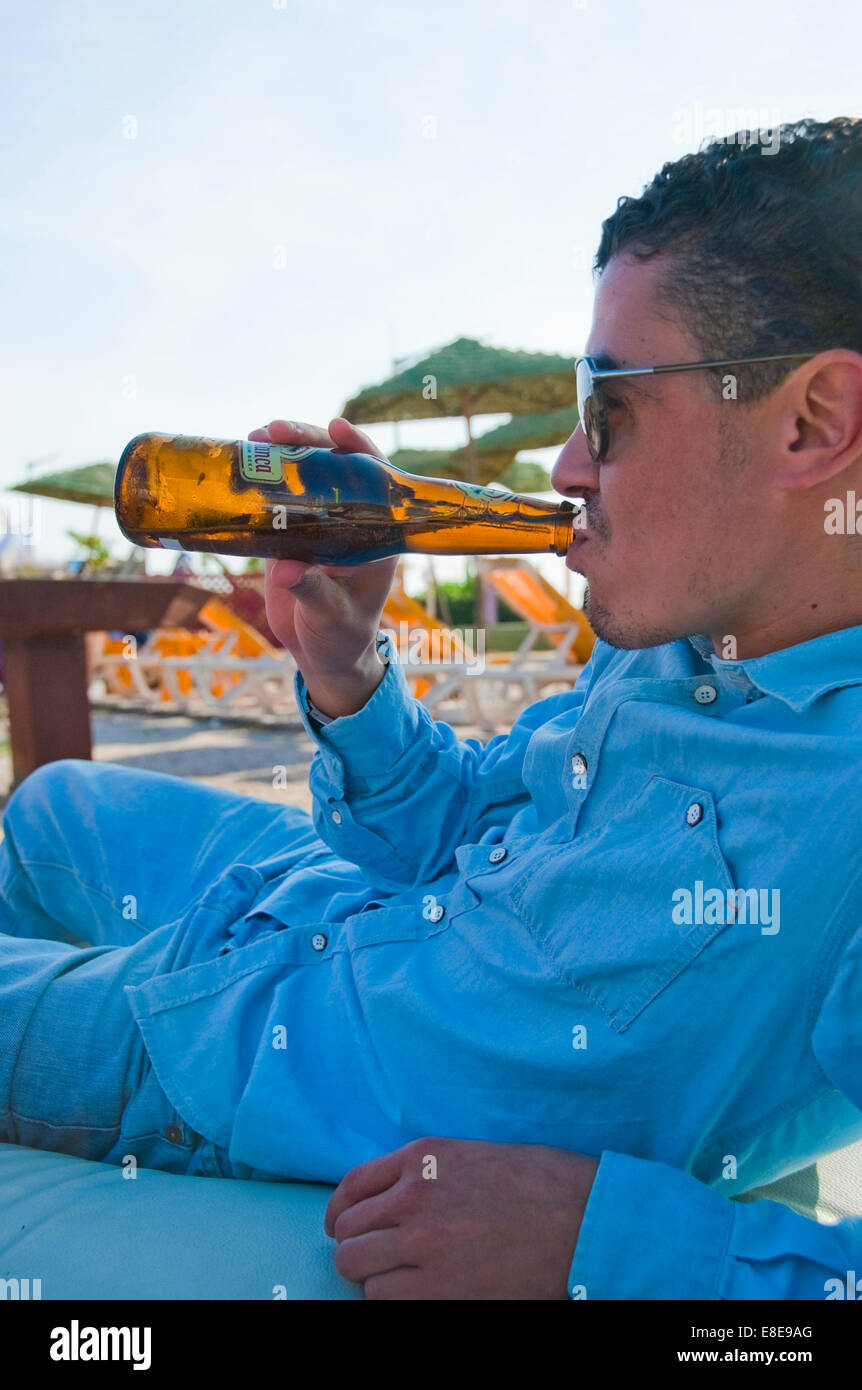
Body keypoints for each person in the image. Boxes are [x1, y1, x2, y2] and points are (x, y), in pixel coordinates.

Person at [2, 116, 861, 1300]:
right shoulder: (685, 639)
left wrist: (605, 1245)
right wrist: (346, 668)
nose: (564, 467)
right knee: (51, 806)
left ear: (810, 423)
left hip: (227, 1063)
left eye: (605, 408)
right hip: (316, 914)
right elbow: (465, 827)